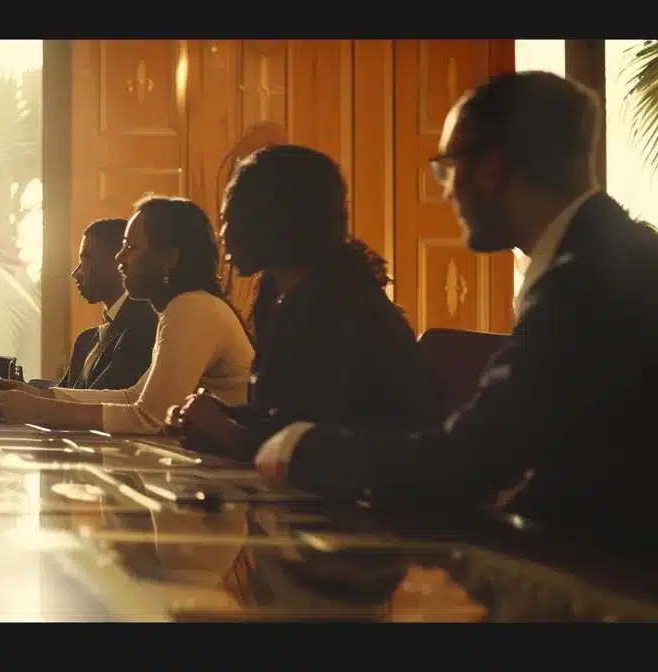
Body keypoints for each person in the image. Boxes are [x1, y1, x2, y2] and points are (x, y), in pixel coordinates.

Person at [251, 72, 658, 548]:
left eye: (447, 166)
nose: (444, 190)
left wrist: (303, 446)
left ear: (492, 167)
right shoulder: (612, 252)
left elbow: (472, 462)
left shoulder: (583, 279)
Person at [166, 145, 431, 460]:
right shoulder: (275, 291)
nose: (223, 234)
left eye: (231, 219)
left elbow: (318, 445)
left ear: (274, 220)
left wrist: (227, 433)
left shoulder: (342, 306)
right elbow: (279, 416)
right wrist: (218, 415)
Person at [0, 195, 253, 434]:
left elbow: (150, 418)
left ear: (169, 258)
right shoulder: (186, 307)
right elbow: (133, 397)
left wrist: (41, 410)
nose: (119, 257)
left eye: (131, 247)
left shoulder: (193, 308)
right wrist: (42, 396)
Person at [0, 217, 156, 413]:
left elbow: (93, 404)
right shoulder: (87, 341)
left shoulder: (146, 328)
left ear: (117, 261)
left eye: (87, 259)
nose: (76, 273)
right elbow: (63, 393)